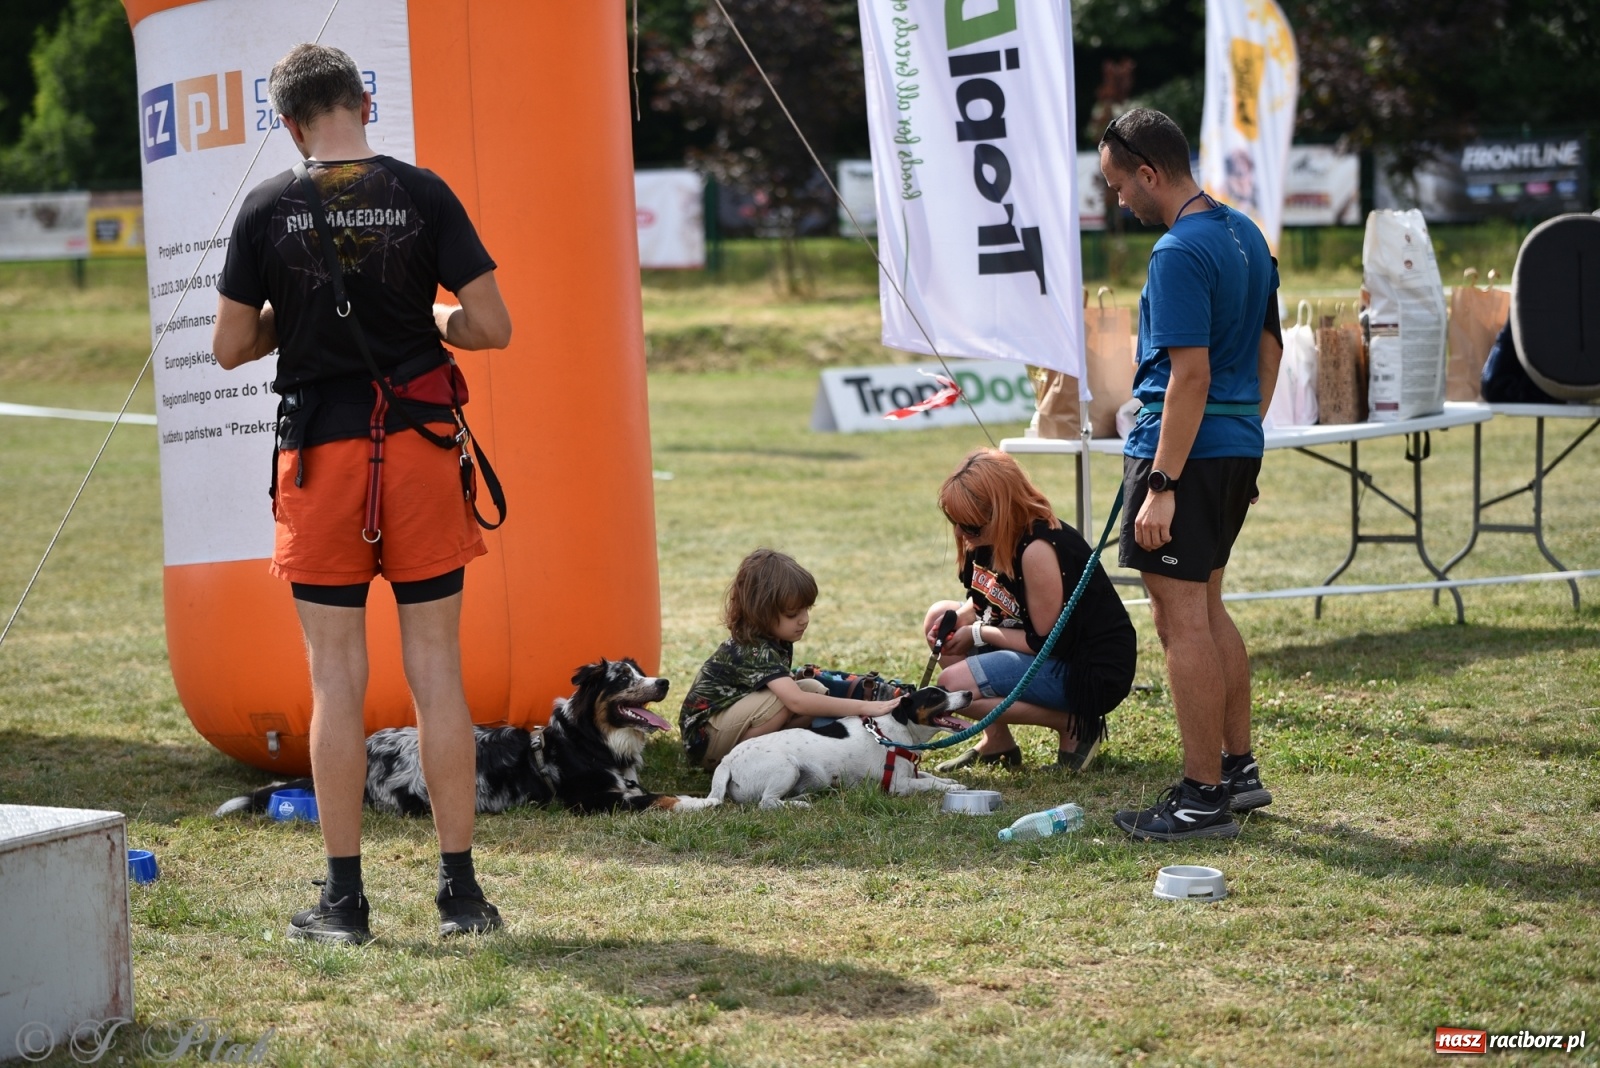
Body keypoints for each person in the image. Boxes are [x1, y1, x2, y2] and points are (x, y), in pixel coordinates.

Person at [212, 44, 513, 943]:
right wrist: (429, 316)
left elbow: (229, 347)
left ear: (289, 123)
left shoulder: (266, 206)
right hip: (419, 454)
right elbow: (492, 326)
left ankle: (343, 905)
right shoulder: (423, 192)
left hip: (321, 461)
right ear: (363, 104)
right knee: (438, 676)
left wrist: (291, 322)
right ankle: (461, 896)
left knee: (335, 683)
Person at [1097, 107, 1282, 841]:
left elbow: (1190, 377)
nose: (1119, 200)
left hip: (1184, 454)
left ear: (1149, 172)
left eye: (1119, 186)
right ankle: (1237, 772)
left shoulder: (1177, 252)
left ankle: (1202, 796)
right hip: (1232, 444)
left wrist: (1163, 484)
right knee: (1207, 608)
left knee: (1181, 626)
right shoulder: (1246, 232)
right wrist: (1248, 440)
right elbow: (1271, 351)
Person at [923, 448, 1136, 773]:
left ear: (1002, 511)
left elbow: (1045, 642)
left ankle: (1073, 724)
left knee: (953, 685)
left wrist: (977, 632)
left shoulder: (1038, 549)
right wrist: (960, 619)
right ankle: (998, 743)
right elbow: (987, 597)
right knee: (939, 615)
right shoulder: (984, 538)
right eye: (955, 522)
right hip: (1043, 649)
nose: (962, 534)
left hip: (1088, 669)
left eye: (971, 526)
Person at [679, 549, 909, 771]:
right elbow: (796, 702)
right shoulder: (755, 648)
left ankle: (775, 753)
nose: (804, 620)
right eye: (792, 614)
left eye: (806, 609)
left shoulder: (776, 639)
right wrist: (866, 707)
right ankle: (739, 762)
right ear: (760, 612)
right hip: (704, 740)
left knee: (813, 689)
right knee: (785, 700)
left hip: (727, 727)